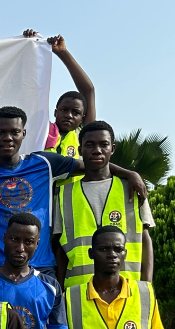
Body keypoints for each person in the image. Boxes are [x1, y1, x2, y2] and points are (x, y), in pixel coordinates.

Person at [0, 104, 104, 272]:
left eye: (14, 132)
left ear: (23, 134)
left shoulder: (44, 164)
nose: (8, 138)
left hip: (42, 268)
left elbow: (93, 165)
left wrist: (129, 174)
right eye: (1, 132)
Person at [54, 119, 156, 285]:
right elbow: (60, 249)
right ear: (80, 150)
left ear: (112, 149)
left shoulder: (133, 188)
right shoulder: (65, 194)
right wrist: (59, 292)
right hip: (79, 293)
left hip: (129, 291)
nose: (97, 150)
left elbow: (145, 239)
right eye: (89, 145)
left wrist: (147, 285)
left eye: (104, 144)